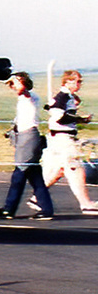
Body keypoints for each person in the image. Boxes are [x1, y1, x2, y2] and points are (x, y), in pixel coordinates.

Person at [0, 72, 53, 221]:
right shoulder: (24, 99)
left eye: (14, 83)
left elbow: (23, 90)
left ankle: (9, 209)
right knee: (34, 175)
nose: (12, 87)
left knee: (19, 175)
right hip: (24, 136)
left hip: (29, 136)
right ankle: (46, 209)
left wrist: (16, 79)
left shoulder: (30, 97)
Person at [41, 70, 98, 216]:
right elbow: (59, 117)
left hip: (62, 137)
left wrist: (79, 118)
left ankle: (37, 196)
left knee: (60, 170)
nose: (79, 84)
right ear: (67, 82)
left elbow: (54, 110)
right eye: (77, 81)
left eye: (80, 81)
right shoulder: (64, 96)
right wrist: (79, 119)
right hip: (63, 138)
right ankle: (86, 204)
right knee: (76, 169)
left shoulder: (67, 97)